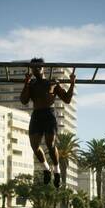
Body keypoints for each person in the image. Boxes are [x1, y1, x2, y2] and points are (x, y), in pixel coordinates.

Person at [20, 57, 76, 188]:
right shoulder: (31, 84)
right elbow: (24, 101)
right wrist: (26, 83)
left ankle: (56, 171)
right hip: (37, 115)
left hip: (49, 114)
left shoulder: (53, 82)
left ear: (43, 68)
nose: (36, 69)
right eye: (34, 67)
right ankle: (46, 169)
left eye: (39, 66)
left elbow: (67, 99)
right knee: (34, 146)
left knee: (50, 144)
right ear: (32, 70)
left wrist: (72, 83)